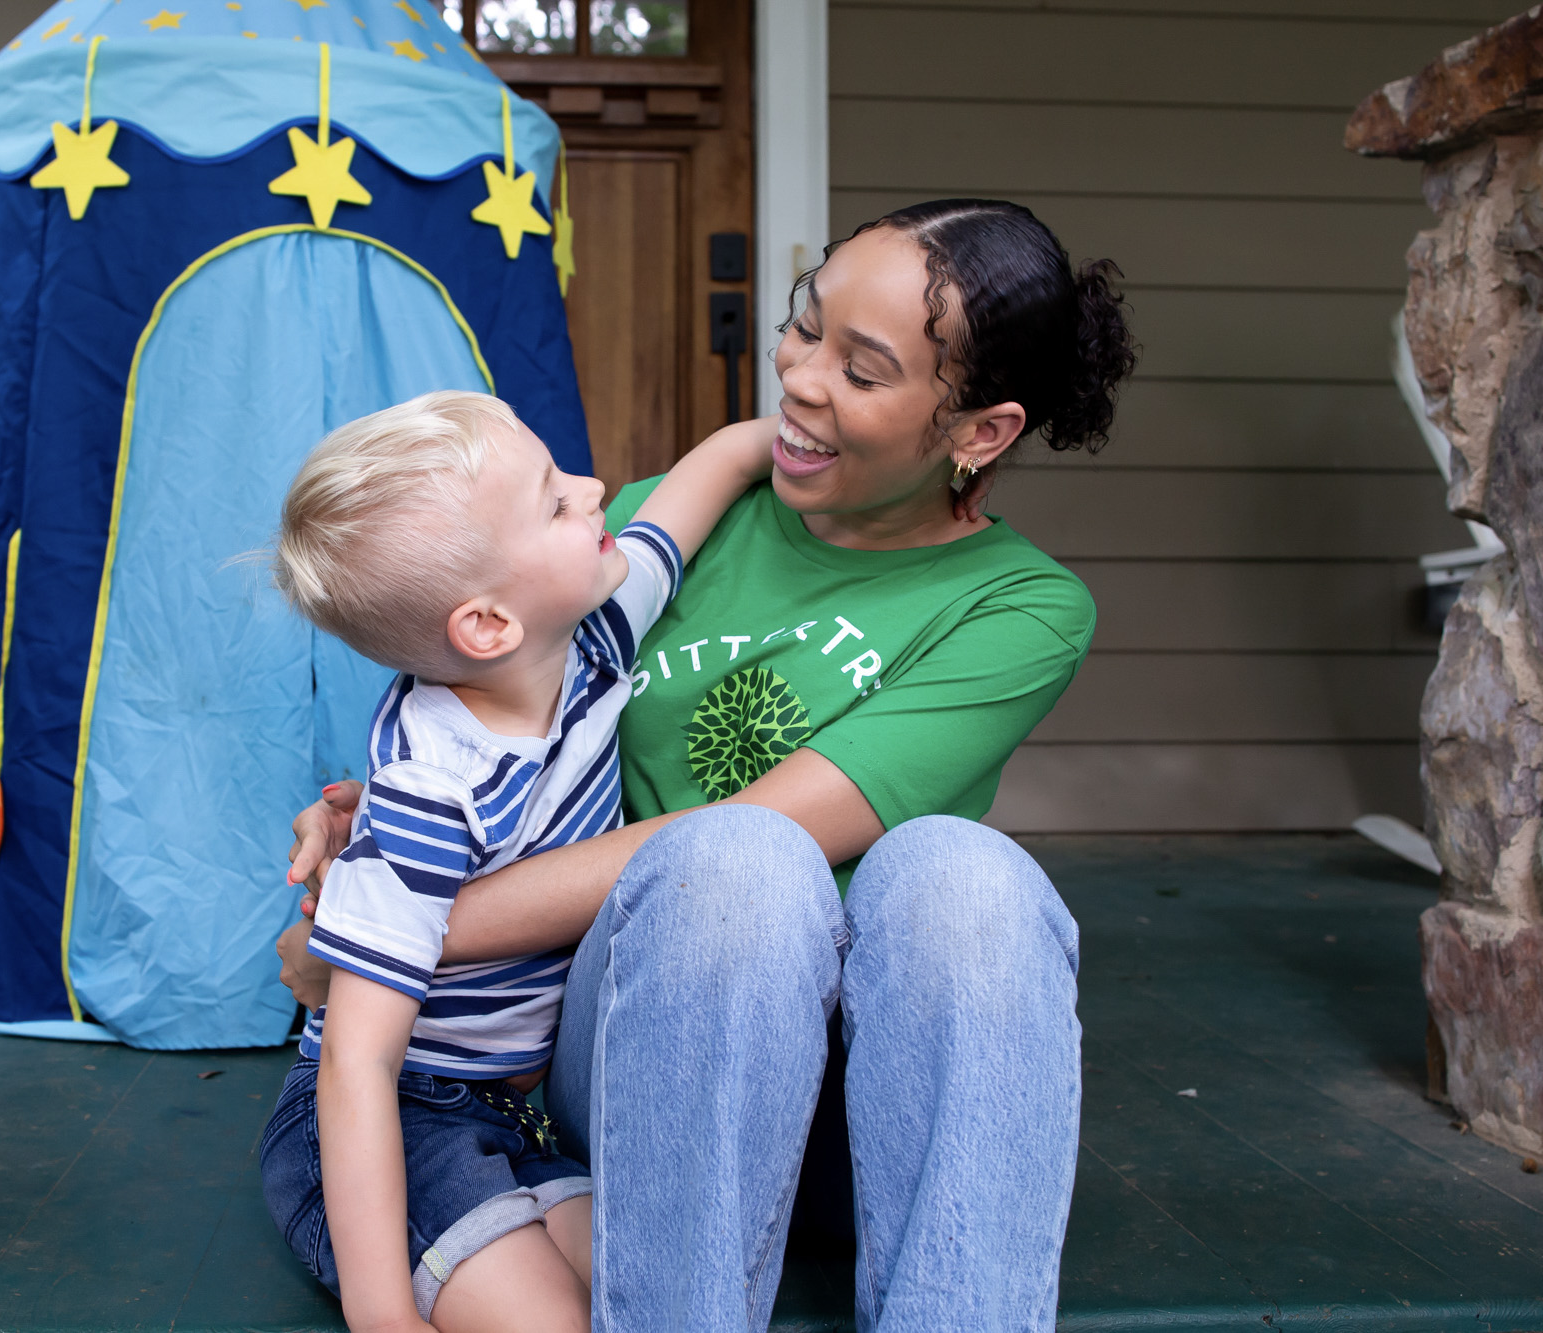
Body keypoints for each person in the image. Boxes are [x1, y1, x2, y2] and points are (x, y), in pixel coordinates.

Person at [279, 199, 1139, 1331]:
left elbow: (779, 824)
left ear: (977, 431)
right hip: (652, 1070)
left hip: (863, 1112)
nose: (800, 375)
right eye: (804, 323)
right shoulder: (655, 534)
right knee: (731, 869)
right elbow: (493, 736)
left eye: (862, 369)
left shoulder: (1021, 608)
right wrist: (368, 825)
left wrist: (359, 937)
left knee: (956, 873)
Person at [258, 389, 776, 1333]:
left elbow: (689, 498)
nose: (597, 488)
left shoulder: (588, 636)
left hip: (521, 1120)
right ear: (490, 624)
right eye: (555, 499)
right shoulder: (430, 788)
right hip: (402, 1122)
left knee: (651, 1292)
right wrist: (384, 1316)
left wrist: (768, 439)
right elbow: (357, 1063)